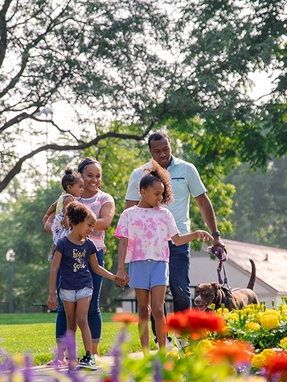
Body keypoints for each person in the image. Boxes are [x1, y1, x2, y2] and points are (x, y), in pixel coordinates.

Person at [125, 132, 225, 328]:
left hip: (178, 240)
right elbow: (130, 209)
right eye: (157, 151)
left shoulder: (187, 170)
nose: (162, 155)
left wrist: (216, 235)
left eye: (166, 149)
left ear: (171, 146)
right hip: (148, 245)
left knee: (180, 289)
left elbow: (203, 203)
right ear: (150, 151)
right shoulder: (139, 174)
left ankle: (184, 337)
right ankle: (162, 338)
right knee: (155, 295)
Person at [116, 163, 212, 353]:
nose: (160, 198)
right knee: (144, 310)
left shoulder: (165, 215)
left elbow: (176, 240)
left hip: (160, 264)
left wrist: (196, 233)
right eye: (156, 194)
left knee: (158, 310)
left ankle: (162, 352)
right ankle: (145, 354)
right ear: (143, 192)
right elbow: (123, 243)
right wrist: (120, 269)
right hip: (138, 264)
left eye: (162, 193)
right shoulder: (129, 214)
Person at [54, 157, 116, 363]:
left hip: (93, 252)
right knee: (65, 308)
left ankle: (94, 352)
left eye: (98, 176)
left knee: (91, 307)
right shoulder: (71, 197)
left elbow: (105, 223)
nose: (94, 179)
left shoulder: (105, 198)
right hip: (68, 254)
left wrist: (79, 221)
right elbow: (51, 221)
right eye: (89, 175)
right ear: (80, 176)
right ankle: (61, 355)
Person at [47, 202, 120, 370]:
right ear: (78, 222)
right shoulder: (63, 244)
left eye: (93, 226)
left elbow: (96, 268)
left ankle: (89, 356)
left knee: (82, 319)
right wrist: (52, 293)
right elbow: (54, 268)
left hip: (85, 286)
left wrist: (114, 277)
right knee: (70, 323)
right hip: (66, 288)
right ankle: (72, 358)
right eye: (89, 225)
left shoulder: (89, 244)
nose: (91, 229)